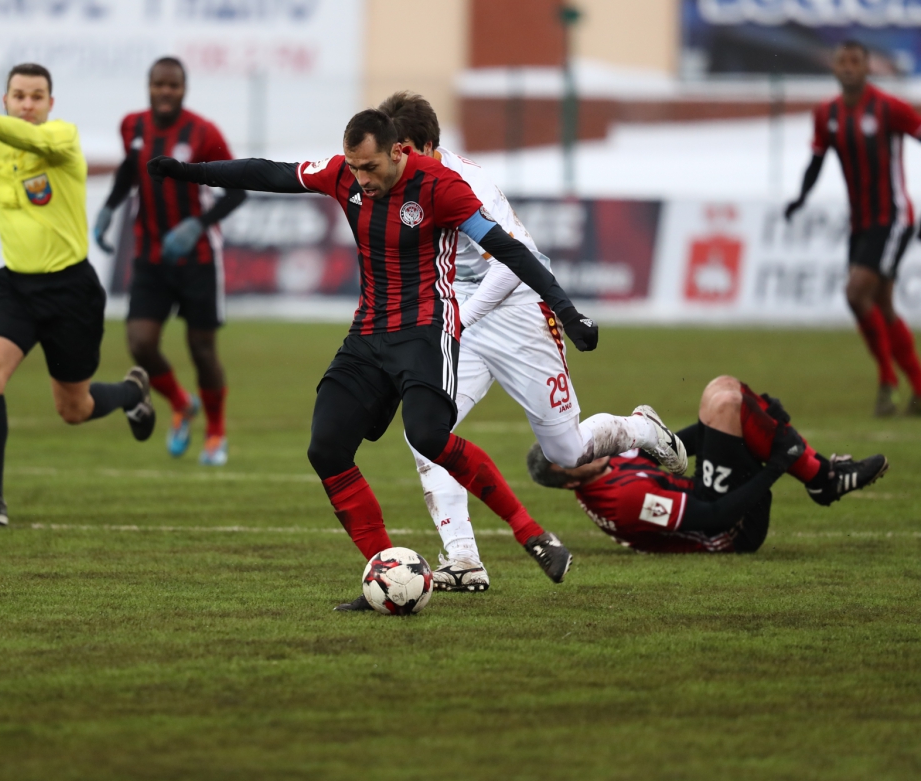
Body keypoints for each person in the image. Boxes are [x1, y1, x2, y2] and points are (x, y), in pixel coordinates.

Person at [148, 109, 601, 609]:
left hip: (425, 332)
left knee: (428, 436)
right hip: (367, 334)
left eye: (370, 167)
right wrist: (190, 172)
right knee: (326, 449)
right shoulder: (343, 176)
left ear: (398, 152)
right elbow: (270, 173)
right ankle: (386, 574)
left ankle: (531, 533)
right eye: (354, 167)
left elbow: (510, 251)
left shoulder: (441, 187)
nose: (361, 179)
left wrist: (567, 311)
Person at [379, 91, 688, 592]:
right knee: (426, 432)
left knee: (567, 452)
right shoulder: (395, 184)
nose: (396, 160)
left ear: (429, 146)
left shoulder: (466, 183)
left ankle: (641, 429)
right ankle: (463, 558)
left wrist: (459, 319)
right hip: (462, 314)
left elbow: (512, 261)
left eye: (404, 150)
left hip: (518, 309)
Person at [0, 62, 155, 526]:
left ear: (50, 103)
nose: (27, 104)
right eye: (18, 96)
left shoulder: (62, 138)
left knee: (74, 409)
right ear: (6, 100)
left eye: (36, 96)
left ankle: (131, 393)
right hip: (18, 289)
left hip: (71, 292)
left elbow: (22, 135)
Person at [526, 376, 889, 553]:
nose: (584, 452)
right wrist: (777, 464)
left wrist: (760, 417)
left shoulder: (603, 461)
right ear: (570, 483)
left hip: (710, 491)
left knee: (722, 391)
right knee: (728, 405)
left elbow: (688, 442)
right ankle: (822, 478)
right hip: (733, 530)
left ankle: (822, 478)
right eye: (572, 461)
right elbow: (715, 517)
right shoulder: (625, 501)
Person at [94, 57, 246, 466]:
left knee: (202, 350)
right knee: (140, 344)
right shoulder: (132, 126)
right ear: (149, 86)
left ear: (183, 89)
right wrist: (109, 209)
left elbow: (237, 191)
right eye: (159, 84)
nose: (165, 91)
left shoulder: (204, 132)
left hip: (198, 258)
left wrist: (197, 226)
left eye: (173, 85)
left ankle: (216, 433)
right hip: (150, 256)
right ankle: (181, 403)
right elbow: (129, 170)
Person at [785, 40, 921, 417]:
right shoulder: (826, 114)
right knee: (882, 304)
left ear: (866, 67)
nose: (848, 67)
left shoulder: (890, 108)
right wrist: (800, 198)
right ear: (834, 68)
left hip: (893, 217)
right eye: (842, 61)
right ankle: (917, 386)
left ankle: (887, 380)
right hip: (860, 222)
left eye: (855, 61)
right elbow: (816, 161)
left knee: (856, 292)